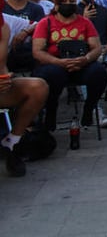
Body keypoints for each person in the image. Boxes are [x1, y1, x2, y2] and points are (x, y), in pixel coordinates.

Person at [31, 0, 107, 132]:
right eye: (64, 1)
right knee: (54, 75)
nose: (68, 4)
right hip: (54, 63)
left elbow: (96, 47)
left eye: (72, 1)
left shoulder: (85, 22)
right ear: (57, 4)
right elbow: (37, 51)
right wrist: (58, 62)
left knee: (99, 72)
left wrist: (85, 59)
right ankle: (51, 113)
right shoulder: (45, 23)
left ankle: (89, 109)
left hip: (80, 62)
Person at [0, 13, 49, 177]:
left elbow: (2, 66)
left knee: (37, 87)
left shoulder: (4, 27)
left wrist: (5, 78)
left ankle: (12, 141)